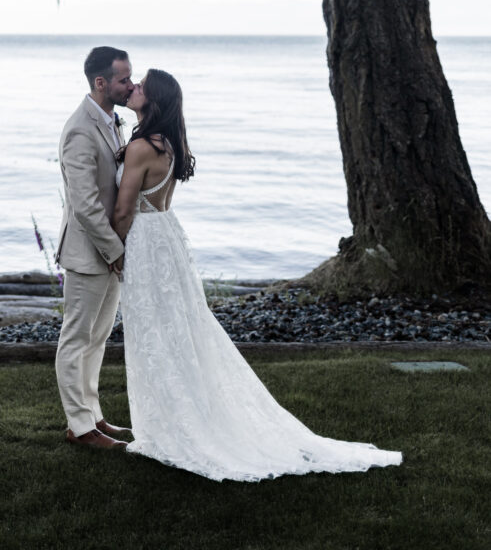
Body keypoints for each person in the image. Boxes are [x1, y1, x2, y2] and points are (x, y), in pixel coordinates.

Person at [112, 68, 402, 482]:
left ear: (153, 100)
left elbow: (124, 209)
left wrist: (115, 251)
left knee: (155, 331)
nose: (134, 87)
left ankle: (174, 427)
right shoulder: (169, 142)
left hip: (144, 240)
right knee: (177, 329)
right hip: (167, 236)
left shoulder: (142, 145)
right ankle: (177, 417)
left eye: (141, 85)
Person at [55, 46, 135, 450]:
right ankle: (79, 427)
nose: (130, 84)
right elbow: (84, 205)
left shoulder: (112, 121)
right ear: (100, 82)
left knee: (98, 338)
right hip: (90, 254)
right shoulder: (79, 129)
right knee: (76, 338)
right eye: (123, 78)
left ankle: (93, 416)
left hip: (111, 251)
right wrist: (116, 251)